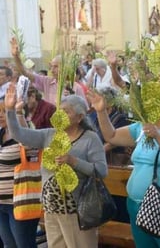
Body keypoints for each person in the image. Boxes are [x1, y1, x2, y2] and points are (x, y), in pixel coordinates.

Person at [5, 84, 107, 247]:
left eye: (67, 111)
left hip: (78, 211)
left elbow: (101, 171)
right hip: (52, 208)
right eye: (60, 109)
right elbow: (20, 135)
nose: (61, 114)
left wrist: (74, 161)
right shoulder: (49, 134)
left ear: (80, 117)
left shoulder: (90, 138)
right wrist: (10, 111)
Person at [86, 88, 160, 247]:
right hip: (136, 204)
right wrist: (101, 112)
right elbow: (112, 136)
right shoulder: (141, 127)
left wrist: (158, 136)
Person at [0, 99, 39, 248]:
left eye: (5, 111)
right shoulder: (1, 132)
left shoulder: (22, 134)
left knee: (24, 245)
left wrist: (17, 114)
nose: (1, 115)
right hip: (1, 203)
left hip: (20, 202)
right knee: (9, 245)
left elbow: (32, 143)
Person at [10, 38, 87, 106]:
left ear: (66, 68)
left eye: (56, 66)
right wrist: (16, 56)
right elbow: (25, 72)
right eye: (51, 66)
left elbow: (84, 111)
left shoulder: (76, 87)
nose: (52, 70)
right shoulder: (47, 81)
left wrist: (73, 100)